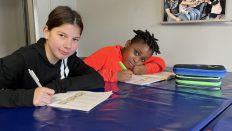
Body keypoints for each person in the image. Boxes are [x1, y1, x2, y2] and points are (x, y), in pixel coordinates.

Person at [0, 6, 104, 107]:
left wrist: (57, 86)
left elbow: (97, 79)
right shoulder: (23, 58)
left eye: (75, 39)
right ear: (46, 32)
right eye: (62, 35)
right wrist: (29, 97)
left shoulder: (69, 59)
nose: (68, 46)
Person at [84, 30, 166, 82]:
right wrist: (114, 76)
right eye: (136, 53)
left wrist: (146, 69)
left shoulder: (139, 60)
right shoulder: (107, 53)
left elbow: (161, 62)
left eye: (143, 60)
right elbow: (79, 73)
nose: (137, 61)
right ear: (127, 44)